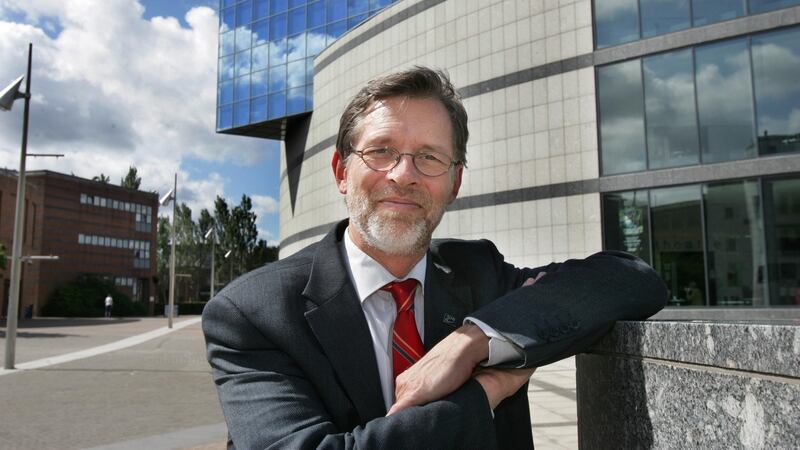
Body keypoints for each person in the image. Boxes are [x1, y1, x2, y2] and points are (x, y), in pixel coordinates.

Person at [202, 67, 667, 449]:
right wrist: (487, 390)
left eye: (429, 157)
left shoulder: (479, 274)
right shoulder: (253, 313)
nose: (404, 176)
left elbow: (630, 278)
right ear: (342, 171)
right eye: (381, 151)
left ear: (454, 183)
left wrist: (475, 340)